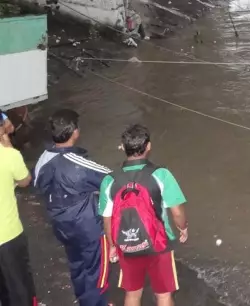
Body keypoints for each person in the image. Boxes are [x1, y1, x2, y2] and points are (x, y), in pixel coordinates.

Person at [99, 124, 188, 306]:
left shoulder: (110, 180)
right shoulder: (161, 175)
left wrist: (113, 245)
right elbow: (177, 211)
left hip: (126, 244)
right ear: (148, 146)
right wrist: (183, 228)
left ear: (123, 148)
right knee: (163, 295)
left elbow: (107, 218)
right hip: (159, 244)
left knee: (132, 293)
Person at [34, 109, 111, 306]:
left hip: (61, 226)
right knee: (96, 270)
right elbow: (111, 179)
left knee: (77, 265)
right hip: (86, 227)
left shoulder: (43, 159)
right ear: (74, 132)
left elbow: (39, 185)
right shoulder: (76, 163)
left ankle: (84, 300)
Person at [0, 122, 37, 306]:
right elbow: (25, 180)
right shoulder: (9, 155)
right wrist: (6, 143)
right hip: (8, 237)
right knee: (20, 289)